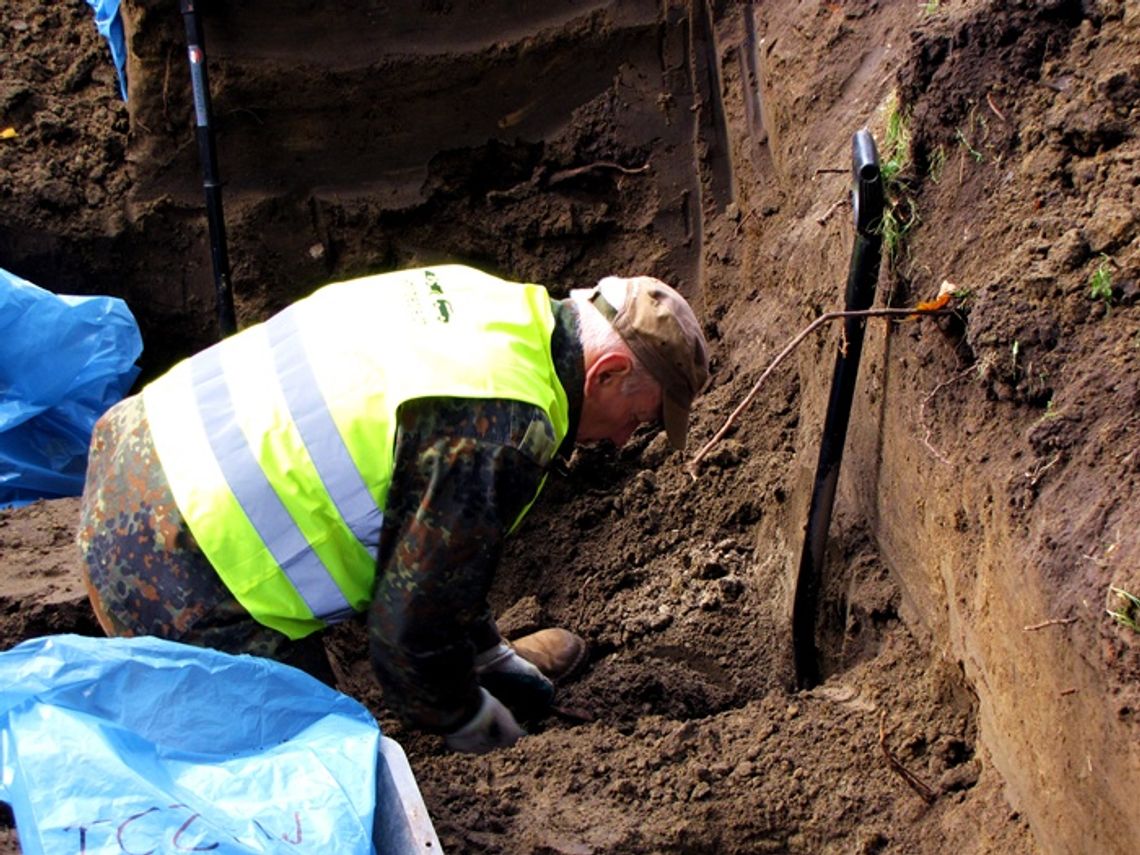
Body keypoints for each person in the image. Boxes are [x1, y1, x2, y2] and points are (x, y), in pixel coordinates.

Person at [76, 264, 709, 754]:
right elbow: (404, 644)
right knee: (328, 772)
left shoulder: (492, 305)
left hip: (139, 444)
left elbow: (430, 523)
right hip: (168, 568)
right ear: (607, 373)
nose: (626, 438)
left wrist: (485, 653)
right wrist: (478, 724)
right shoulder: (504, 427)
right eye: (639, 417)